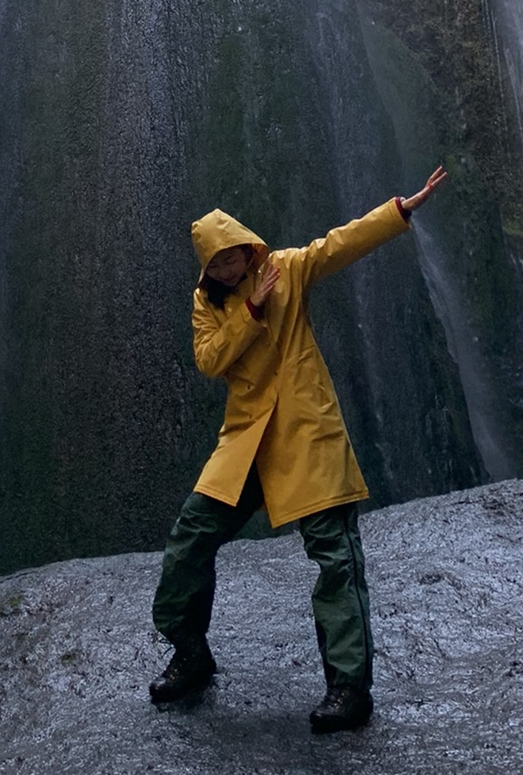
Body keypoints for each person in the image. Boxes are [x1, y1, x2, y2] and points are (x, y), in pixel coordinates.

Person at [149, 167, 448, 732]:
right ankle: (190, 655)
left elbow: (339, 243)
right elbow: (210, 360)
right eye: (215, 264)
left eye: (232, 257)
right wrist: (251, 312)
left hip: (304, 431)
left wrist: (400, 211)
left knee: (335, 556)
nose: (227, 268)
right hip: (244, 442)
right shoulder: (207, 303)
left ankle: (348, 689)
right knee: (189, 540)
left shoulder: (286, 268)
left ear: (246, 246)